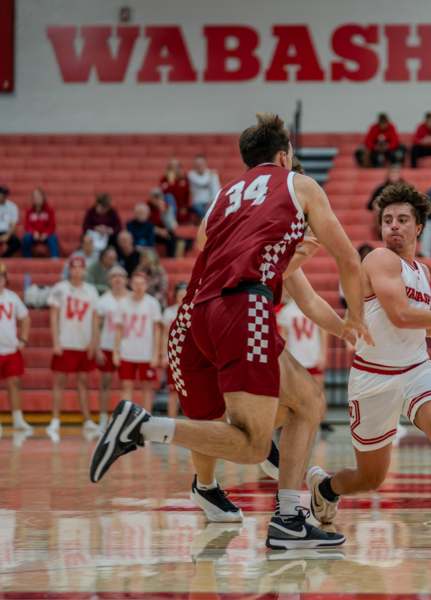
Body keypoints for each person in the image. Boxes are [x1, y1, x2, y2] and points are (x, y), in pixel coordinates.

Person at [91, 112, 370, 550]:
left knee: (305, 401)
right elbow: (350, 260)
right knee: (253, 444)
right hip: (242, 305)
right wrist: (355, 315)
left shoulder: (225, 195)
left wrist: (336, 323)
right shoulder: (299, 184)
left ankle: (286, 517)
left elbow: (208, 243)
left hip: (198, 312)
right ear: (284, 155)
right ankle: (144, 427)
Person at [304, 182, 431, 540]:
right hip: (373, 377)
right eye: (387, 220)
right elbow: (400, 315)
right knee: (371, 478)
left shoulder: (423, 273)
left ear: (418, 227)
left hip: (416, 368)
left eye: (402, 219)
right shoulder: (379, 259)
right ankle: (326, 489)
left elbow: (421, 327)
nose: (394, 226)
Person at [47, 256, 99, 440]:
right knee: (59, 383)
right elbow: (53, 317)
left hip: (83, 344)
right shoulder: (60, 289)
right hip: (65, 342)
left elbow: (94, 318)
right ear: (69, 269)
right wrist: (56, 342)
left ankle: (87, 420)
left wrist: (93, 341)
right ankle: (54, 420)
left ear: (84, 270)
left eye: (80, 267)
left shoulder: (91, 291)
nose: (77, 271)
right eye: (74, 267)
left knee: (83, 383)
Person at [113, 271, 162, 412]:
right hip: (127, 352)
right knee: (126, 386)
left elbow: (157, 330)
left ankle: (147, 418)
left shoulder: (152, 303)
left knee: (147, 387)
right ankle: (125, 417)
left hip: (146, 353)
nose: (139, 286)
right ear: (131, 284)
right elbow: (118, 329)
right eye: (136, 283)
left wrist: (155, 353)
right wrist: (116, 352)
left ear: (146, 285)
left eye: (142, 284)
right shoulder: (123, 303)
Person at [276, 290, 328, 415]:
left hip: (313, 356)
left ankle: (319, 423)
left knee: (318, 393)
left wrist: (323, 354)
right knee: (296, 395)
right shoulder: (286, 311)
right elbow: (284, 338)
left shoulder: (313, 309)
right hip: (296, 358)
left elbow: (323, 332)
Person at [93, 266, 128, 430]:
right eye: (114, 276)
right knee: (105, 383)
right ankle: (102, 418)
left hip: (128, 347)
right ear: (109, 280)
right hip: (107, 345)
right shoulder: (103, 301)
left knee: (127, 384)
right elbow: (97, 326)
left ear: (126, 279)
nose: (117, 279)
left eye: (121, 275)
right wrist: (98, 348)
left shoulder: (132, 299)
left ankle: (125, 420)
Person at [0, 264, 33, 433]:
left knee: (14, 384)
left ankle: (18, 419)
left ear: (6, 279)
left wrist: (24, 339)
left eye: (1, 277)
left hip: (11, 349)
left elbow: (25, 318)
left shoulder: (12, 298)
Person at [161, 282, 187, 418]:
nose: (182, 296)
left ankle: (193, 428)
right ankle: (172, 424)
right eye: (180, 294)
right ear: (175, 295)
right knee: (172, 392)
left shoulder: (193, 310)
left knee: (191, 393)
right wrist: (165, 354)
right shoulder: (169, 312)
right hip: (174, 356)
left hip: (189, 358)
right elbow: (165, 335)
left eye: (185, 294)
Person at [22, 188, 59, 258]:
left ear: (43, 198)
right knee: (26, 238)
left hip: (46, 235)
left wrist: (46, 233)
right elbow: (27, 226)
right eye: (35, 197)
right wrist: (34, 232)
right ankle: (27, 259)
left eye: (39, 197)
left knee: (53, 238)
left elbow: (52, 226)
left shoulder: (49, 210)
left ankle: (55, 259)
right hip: (34, 235)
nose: (37, 199)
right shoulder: (29, 211)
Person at [187, 154, 221, 219]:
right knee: (202, 210)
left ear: (205, 164)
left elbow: (216, 190)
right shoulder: (191, 175)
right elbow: (201, 182)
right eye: (197, 164)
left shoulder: (212, 174)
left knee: (214, 208)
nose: (199, 166)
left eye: (201, 164)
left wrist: (212, 202)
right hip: (197, 203)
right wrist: (211, 176)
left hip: (209, 202)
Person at [148, 188, 178, 258]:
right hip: (152, 231)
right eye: (154, 197)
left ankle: (171, 257)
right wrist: (158, 230)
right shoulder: (147, 207)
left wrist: (164, 213)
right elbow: (146, 224)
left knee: (171, 236)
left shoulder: (167, 207)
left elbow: (172, 226)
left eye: (158, 197)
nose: (156, 200)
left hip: (165, 232)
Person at [160, 158, 191, 224]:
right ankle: (172, 220)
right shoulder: (164, 179)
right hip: (169, 206)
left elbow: (186, 193)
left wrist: (185, 207)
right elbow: (165, 192)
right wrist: (171, 182)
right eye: (172, 167)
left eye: (176, 167)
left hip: (181, 206)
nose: (174, 169)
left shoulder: (184, 178)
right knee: (169, 196)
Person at [0, 186, 20, 257]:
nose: (3, 196)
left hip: (7, 232)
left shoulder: (12, 207)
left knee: (16, 243)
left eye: (5, 195)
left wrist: (7, 235)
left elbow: (13, 224)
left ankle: (4, 257)